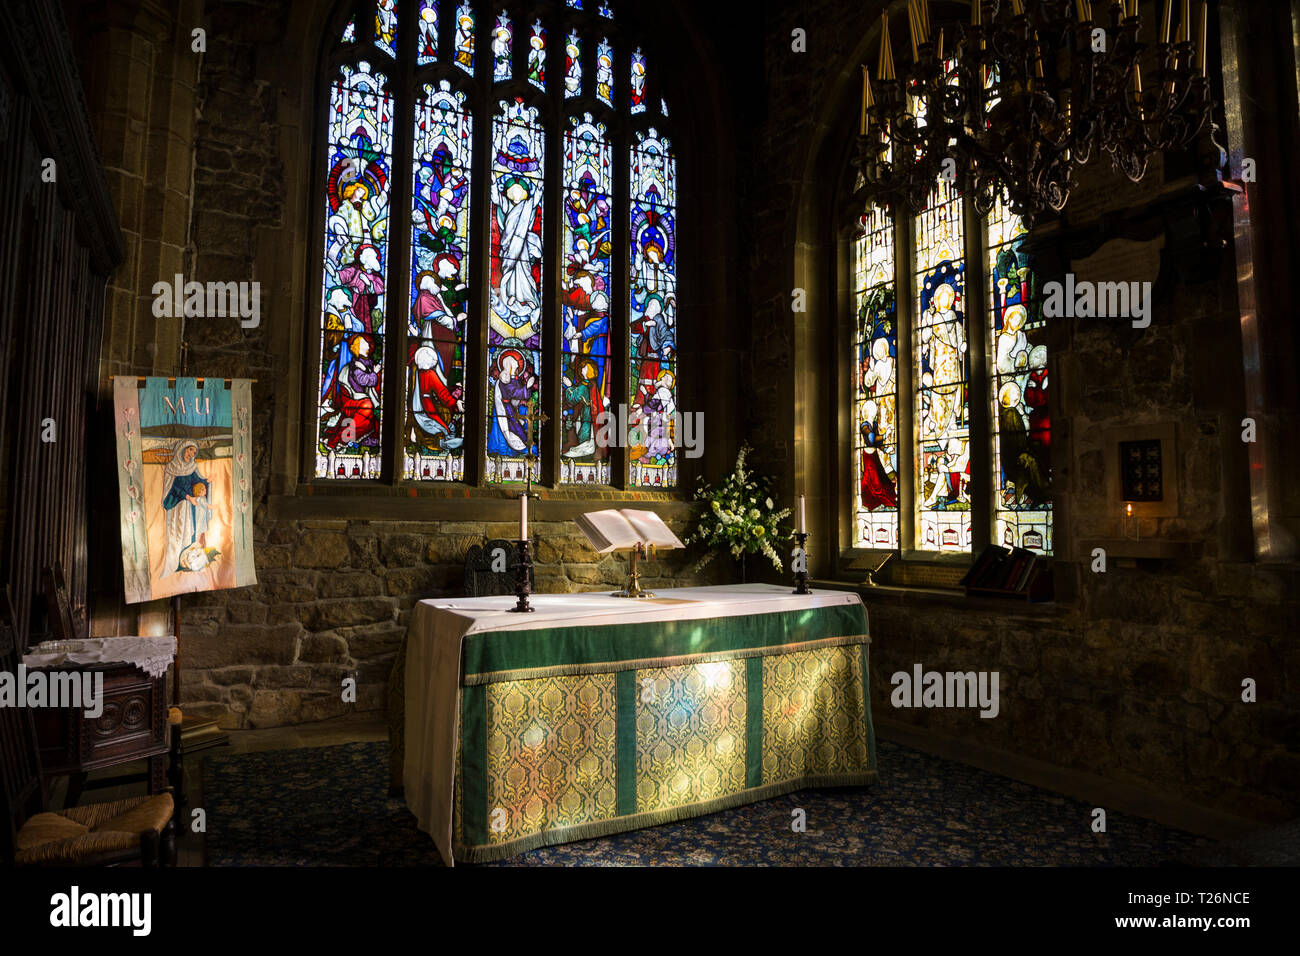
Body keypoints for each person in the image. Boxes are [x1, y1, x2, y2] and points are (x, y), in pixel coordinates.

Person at [159, 439, 205, 577]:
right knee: (177, 531)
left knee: (190, 530)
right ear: (183, 448)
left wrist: (206, 481)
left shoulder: (192, 467)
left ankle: (186, 562)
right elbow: (172, 488)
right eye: (191, 450)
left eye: (195, 452)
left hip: (189, 506)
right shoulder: (171, 467)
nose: (192, 454)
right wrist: (186, 496)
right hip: (177, 505)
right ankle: (174, 562)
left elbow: (197, 481)